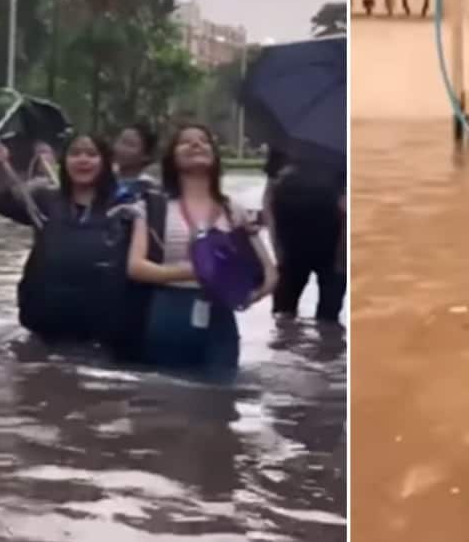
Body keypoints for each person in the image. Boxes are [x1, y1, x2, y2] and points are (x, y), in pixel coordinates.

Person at [127, 124, 278, 374]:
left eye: (203, 140)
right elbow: (135, 266)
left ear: (214, 156)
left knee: (220, 402)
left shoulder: (232, 209)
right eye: (185, 141)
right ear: (172, 158)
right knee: (165, 398)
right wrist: (192, 272)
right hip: (167, 313)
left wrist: (245, 297)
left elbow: (270, 274)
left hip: (220, 317)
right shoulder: (153, 206)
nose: (196, 144)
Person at [0, 133, 131, 346]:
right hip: (44, 319)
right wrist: (0, 167)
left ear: (106, 162)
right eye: (75, 154)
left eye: (91, 154)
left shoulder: (123, 206)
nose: (83, 160)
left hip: (102, 327)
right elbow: (3, 203)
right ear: (64, 161)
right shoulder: (44, 199)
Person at [263, 147, 347, 324]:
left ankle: (327, 349)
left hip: (336, 248)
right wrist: (275, 244)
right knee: (282, 317)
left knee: (329, 321)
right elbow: (269, 197)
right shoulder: (284, 143)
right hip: (290, 246)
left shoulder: (345, 144)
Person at [113, 122, 159, 203]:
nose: (120, 148)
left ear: (146, 156)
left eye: (129, 145)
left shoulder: (150, 191)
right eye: (120, 141)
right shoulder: (101, 179)